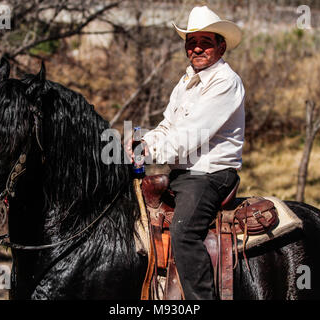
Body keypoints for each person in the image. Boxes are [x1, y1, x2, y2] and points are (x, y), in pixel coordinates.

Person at [127, 5, 245, 300]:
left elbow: (190, 136)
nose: (197, 48)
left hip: (210, 175)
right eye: (191, 42)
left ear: (221, 46)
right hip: (182, 174)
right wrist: (140, 143)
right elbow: (169, 126)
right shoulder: (186, 82)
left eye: (205, 42)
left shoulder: (225, 82)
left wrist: (148, 153)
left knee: (184, 232)